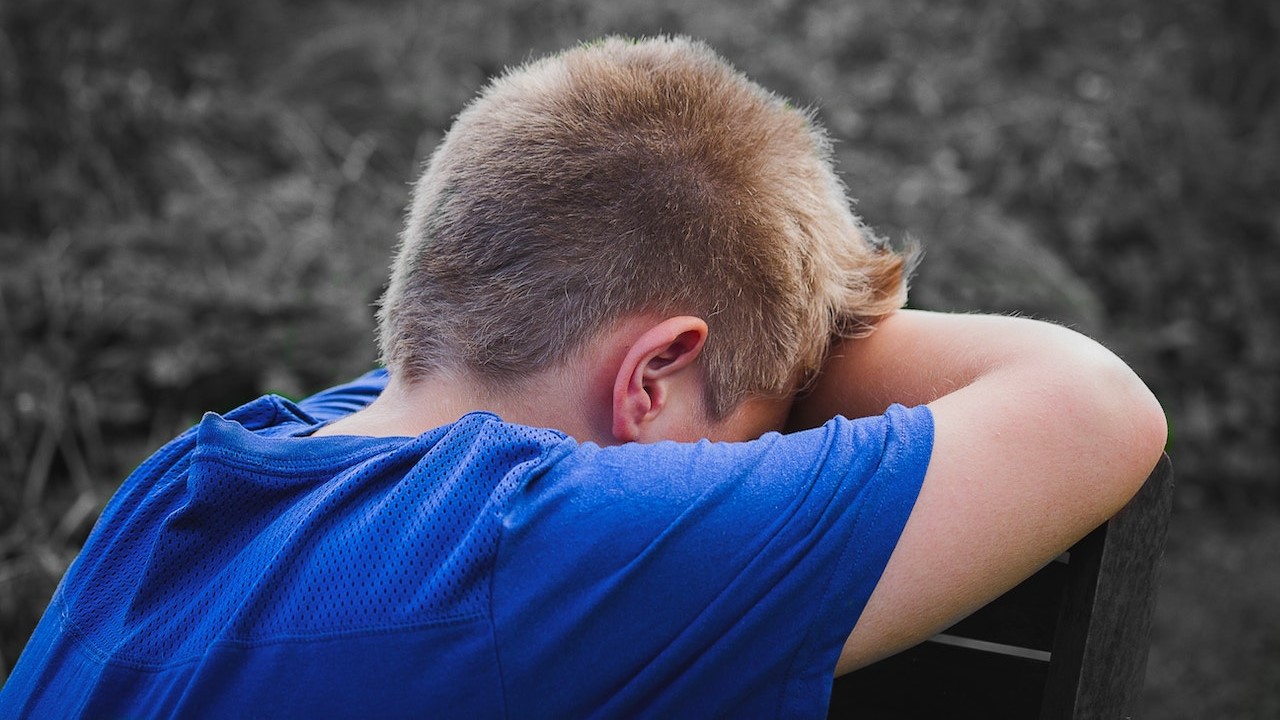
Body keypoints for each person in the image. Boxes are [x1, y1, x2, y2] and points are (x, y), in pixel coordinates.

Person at [0, 36, 1166, 718]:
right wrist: (815, 329)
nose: (740, 471)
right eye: (750, 437)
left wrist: (768, 329)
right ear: (652, 377)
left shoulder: (184, 487)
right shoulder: (534, 545)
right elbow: (1094, 407)